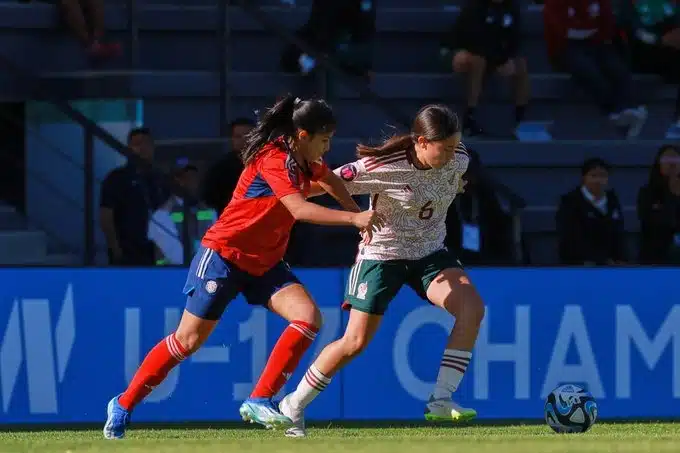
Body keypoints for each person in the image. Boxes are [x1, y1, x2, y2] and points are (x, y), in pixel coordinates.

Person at [102, 95, 384, 439]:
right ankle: (124, 403)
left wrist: (354, 208)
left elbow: (329, 180)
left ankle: (260, 398)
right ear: (303, 135)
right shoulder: (275, 158)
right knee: (187, 341)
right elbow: (299, 210)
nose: (327, 148)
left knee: (309, 319)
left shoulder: (305, 158)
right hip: (224, 255)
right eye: (324, 140)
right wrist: (354, 217)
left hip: (265, 262)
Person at [275, 105, 486, 438]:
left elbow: (452, 181)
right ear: (420, 141)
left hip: (430, 253)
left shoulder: (459, 158)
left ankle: (441, 399)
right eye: (442, 147)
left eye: (454, 145)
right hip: (381, 255)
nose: (450, 153)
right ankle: (294, 405)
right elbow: (321, 183)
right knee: (355, 342)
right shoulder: (380, 167)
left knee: (472, 308)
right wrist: (279, 191)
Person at [543, 0, 648, 137]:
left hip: (596, 43)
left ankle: (628, 109)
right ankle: (613, 110)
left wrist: (589, 31)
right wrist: (590, 30)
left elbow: (607, 24)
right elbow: (561, 31)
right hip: (564, 48)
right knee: (587, 69)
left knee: (617, 68)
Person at [441, 0, 530, 136]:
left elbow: (514, 38)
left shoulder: (512, 8)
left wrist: (507, 59)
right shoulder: (475, 7)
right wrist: (499, 61)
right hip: (459, 50)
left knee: (520, 65)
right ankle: (469, 117)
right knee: (478, 61)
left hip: (494, 55)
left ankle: (520, 119)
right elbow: (473, 41)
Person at [100, 127, 171, 266]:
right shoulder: (116, 179)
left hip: (156, 252)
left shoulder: (160, 179)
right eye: (137, 144)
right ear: (129, 148)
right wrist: (115, 249)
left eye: (146, 143)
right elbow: (106, 216)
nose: (143, 148)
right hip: (127, 252)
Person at [616, 0, 680, 138]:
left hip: (670, 54)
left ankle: (678, 122)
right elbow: (637, 33)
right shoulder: (628, 6)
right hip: (642, 56)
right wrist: (660, 41)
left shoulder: (670, 5)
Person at [556, 158, 626, 265]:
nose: (598, 180)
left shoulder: (612, 201)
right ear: (584, 178)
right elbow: (571, 237)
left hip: (610, 264)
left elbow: (618, 234)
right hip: (579, 264)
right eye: (593, 176)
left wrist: (619, 258)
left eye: (602, 176)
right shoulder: (570, 201)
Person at [202, 118, 256, 214]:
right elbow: (209, 198)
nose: (244, 140)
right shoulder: (220, 168)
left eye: (247, 136)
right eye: (238, 136)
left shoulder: (268, 164)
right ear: (232, 139)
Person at [637, 144, 680, 263]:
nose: (672, 163)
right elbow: (652, 223)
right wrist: (672, 197)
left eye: (675, 159)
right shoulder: (647, 192)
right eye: (667, 159)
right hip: (656, 252)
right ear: (659, 163)